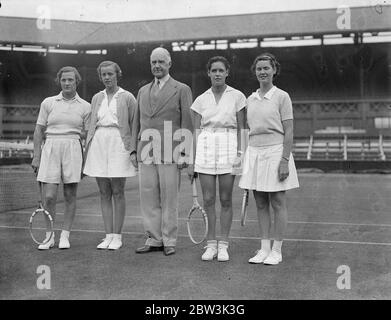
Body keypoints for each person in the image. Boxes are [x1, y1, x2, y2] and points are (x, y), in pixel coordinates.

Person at [239, 53, 299, 265]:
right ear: (255, 72)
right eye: (259, 69)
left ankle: (277, 250)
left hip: (276, 151)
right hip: (255, 152)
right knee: (261, 203)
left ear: (274, 70)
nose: (263, 72)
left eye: (266, 68)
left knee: (278, 202)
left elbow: (289, 130)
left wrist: (284, 159)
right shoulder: (250, 99)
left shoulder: (282, 96)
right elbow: (249, 131)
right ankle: (264, 248)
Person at [132, 47, 193, 256]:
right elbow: (136, 123)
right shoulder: (142, 91)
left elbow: (187, 122)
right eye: (153, 62)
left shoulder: (182, 89)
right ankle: (154, 238)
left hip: (171, 150)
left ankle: (169, 239)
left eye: (161, 62)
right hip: (146, 150)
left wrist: (185, 152)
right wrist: (133, 149)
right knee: (148, 196)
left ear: (169, 64)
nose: (157, 66)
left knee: (169, 197)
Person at [189, 56, 246, 262]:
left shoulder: (238, 96)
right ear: (209, 73)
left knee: (225, 199)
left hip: (229, 147)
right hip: (205, 148)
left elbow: (242, 128)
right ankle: (211, 244)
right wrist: (191, 161)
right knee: (209, 200)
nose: (218, 74)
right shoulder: (201, 100)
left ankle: (224, 244)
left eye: (221, 70)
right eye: (214, 70)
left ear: (227, 72)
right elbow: (194, 132)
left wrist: (241, 155)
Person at [31, 66, 91, 250]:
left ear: (76, 82)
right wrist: (36, 157)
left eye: (70, 80)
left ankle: (65, 236)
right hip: (50, 148)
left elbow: (88, 136)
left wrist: (86, 161)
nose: (67, 83)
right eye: (64, 80)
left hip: (73, 148)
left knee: (70, 195)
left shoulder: (86, 106)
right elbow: (39, 131)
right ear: (60, 81)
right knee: (49, 197)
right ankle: (49, 236)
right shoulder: (48, 103)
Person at [83, 61, 137, 250]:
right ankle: (107, 235)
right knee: (104, 192)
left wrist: (132, 149)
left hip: (119, 143)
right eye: (103, 74)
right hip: (99, 142)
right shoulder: (96, 97)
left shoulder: (128, 97)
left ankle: (118, 236)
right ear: (100, 77)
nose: (107, 77)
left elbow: (134, 124)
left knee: (118, 191)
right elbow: (91, 125)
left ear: (117, 74)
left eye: (110, 74)